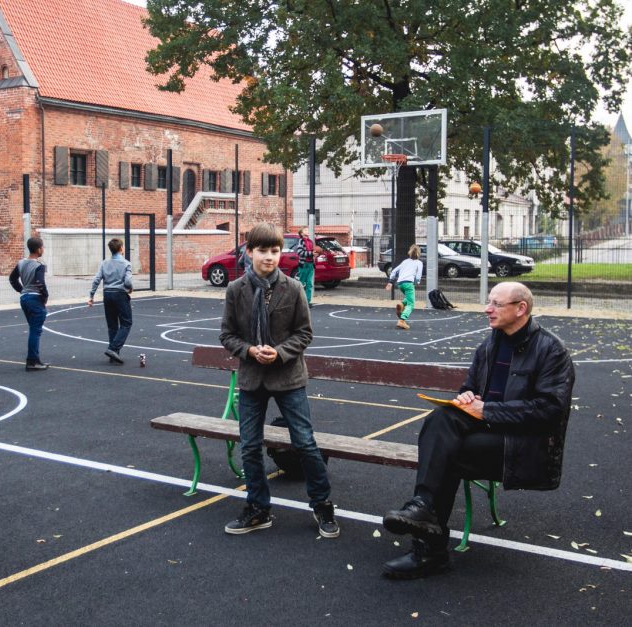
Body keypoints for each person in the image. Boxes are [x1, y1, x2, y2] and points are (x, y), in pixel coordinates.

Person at [381, 282, 575, 579]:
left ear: (520, 309)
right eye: (489, 302)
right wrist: (467, 397)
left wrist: (487, 409)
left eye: (496, 303)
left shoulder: (551, 350)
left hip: (522, 444)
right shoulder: (489, 345)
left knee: (451, 453)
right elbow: (469, 388)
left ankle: (430, 548)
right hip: (484, 427)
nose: (488, 308)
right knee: (441, 417)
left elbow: (550, 412)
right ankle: (423, 508)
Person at [219, 222, 339, 537]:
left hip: (288, 377)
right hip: (252, 379)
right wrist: (248, 350)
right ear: (249, 253)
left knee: (305, 443)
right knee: (249, 446)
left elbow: (305, 333)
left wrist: (280, 352)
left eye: (275, 251)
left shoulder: (294, 288)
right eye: (263, 251)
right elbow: (227, 335)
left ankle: (322, 504)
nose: (270, 257)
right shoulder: (236, 290)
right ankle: (258, 509)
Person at [88, 238, 133, 364]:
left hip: (107, 294)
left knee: (112, 325)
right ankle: (113, 348)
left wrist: (91, 295)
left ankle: (114, 354)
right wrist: (129, 288)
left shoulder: (104, 263)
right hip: (120, 294)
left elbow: (97, 279)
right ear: (121, 249)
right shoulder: (126, 264)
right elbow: (128, 282)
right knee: (126, 323)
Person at [10, 236, 49, 371]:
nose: (43, 249)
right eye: (43, 247)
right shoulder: (39, 266)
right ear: (39, 249)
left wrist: (22, 290)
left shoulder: (21, 263)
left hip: (25, 298)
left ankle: (35, 359)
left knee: (33, 328)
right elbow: (40, 283)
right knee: (35, 330)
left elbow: (12, 279)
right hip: (35, 298)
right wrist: (45, 297)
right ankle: (32, 361)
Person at [385, 244, 423, 330]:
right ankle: (402, 321)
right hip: (409, 283)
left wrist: (391, 281)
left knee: (409, 298)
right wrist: (417, 282)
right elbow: (418, 276)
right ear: (419, 253)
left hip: (400, 283)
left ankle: (401, 305)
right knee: (411, 304)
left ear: (409, 253)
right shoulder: (419, 263)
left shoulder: (405, 261)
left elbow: (394, 271)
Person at [293, 227, 315, 305]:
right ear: (301, 233)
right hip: (304, 265)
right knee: (301, 284)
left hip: (310, 265)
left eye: (307, 230)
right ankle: (299, 301)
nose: (307, 231)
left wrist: (316, 253)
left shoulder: (310, 241)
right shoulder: (301, 241)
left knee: (309, 284)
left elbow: (313, 252)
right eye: (305, 230)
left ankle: (307, 302)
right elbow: (300, 252)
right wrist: (311, 253)